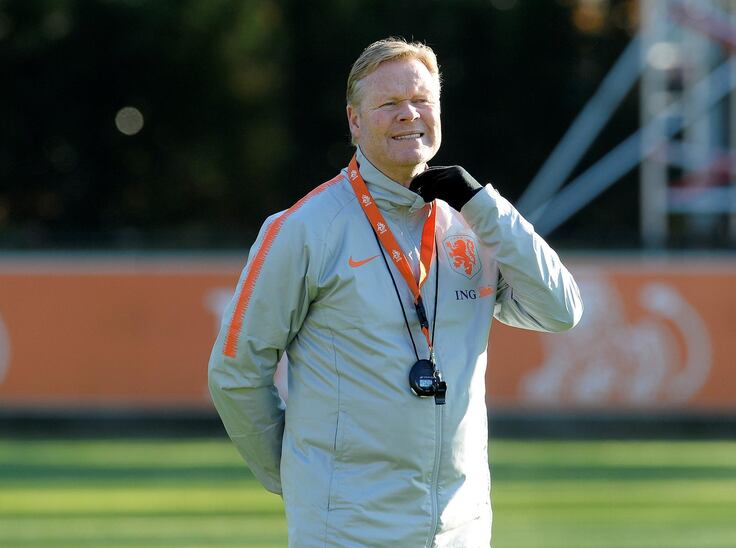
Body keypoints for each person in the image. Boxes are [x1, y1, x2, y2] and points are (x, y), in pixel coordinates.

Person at [208, 37, 583, 547]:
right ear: (355, 121)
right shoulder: (304, 228)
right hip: (344, 529)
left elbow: (560, 311)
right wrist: (300, 479)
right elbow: (236, 371)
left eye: (422, 100)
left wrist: (484, 206)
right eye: (388, 104)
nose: (409, 114)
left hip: (461, 529)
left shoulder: (475, 223)